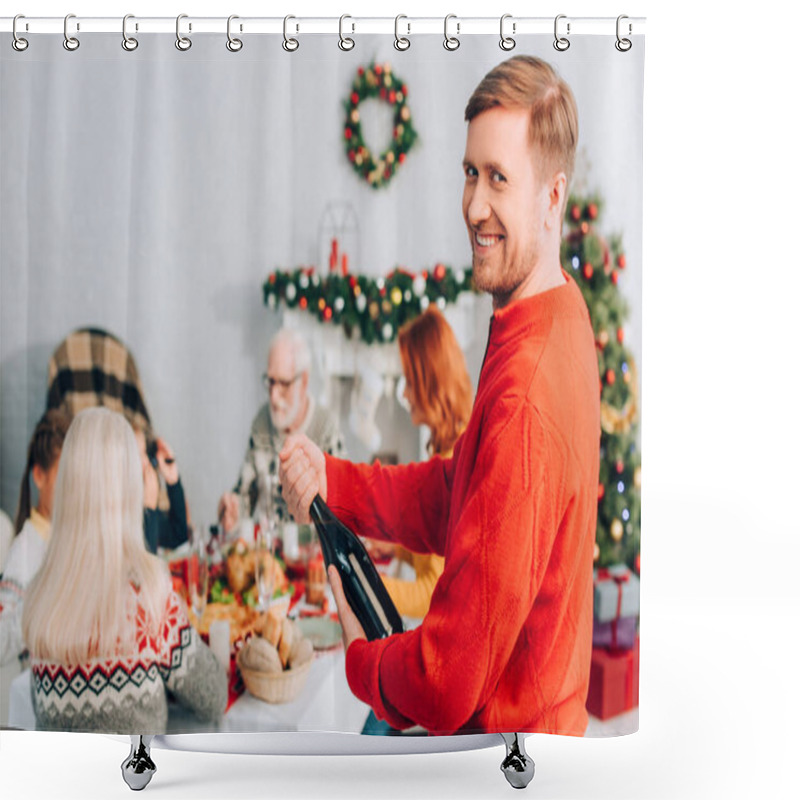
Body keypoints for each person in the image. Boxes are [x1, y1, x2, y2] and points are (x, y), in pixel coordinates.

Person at [279, 55, 600, 737]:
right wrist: (337, 482)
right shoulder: (554, 312)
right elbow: (464, 493)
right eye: (470, 172)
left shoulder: (525, 396)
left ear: (553, 196)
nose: (475, 206)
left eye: (500, 180)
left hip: (505, 756)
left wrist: (363, 659)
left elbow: (447, 681)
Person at [22, 407, 227, 732]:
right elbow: (213, 696)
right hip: (135, 781)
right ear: (129, 488)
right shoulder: (148, 595)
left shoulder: (39, 597)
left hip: (63, 782)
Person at [377, 307, 473, 619]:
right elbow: (437, 552)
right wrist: (397, 548)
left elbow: (434, 590)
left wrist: (370, 585)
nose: (404, 394)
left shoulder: (453, 465)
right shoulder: (454, 441)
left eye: (408, 381)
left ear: (429, 383)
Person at [218, 327, 345, 535]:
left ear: (304, 381)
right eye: (270, 382)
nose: (274, 397)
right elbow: (245, 497)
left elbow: (340, 511)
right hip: (271, 555)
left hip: (314, 558)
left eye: (283, 384)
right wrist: (232, 509)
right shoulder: (261, 424)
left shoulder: (326, 428)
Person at [1, 409, 70, 666]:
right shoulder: (24, 551)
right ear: (39, 476)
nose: (70, 489)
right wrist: (43, 602)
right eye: (62, 477)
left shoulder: (70, 539)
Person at [133, 426, 190, 555]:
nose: (147, 462)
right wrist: (149, 509)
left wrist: (173, 482)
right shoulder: (117, 517)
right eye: (139, 455)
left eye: (145, 453)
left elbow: (178, 537)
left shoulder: (139, 508)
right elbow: (144, 571)